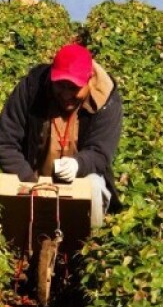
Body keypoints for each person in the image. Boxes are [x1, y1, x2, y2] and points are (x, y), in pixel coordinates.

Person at [0, 44, 122, 227]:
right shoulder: (32, 89)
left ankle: (87, 245)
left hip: (79, 180)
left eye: (73, 88)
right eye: (60, 86)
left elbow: (101, 152)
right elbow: (5, 141)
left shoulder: (106, 100)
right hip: (32, 177)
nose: (65, 95)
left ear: (89, 81)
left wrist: (78, 164)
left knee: (95, 185)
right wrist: (30, 182)